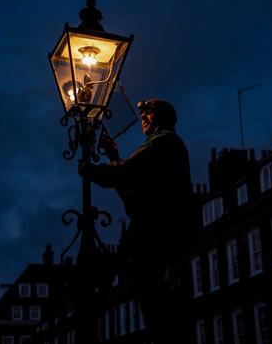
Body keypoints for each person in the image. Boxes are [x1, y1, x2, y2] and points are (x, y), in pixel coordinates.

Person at [79, 98, 194, 343]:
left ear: (165, 118)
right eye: (141, 113)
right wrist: (113, 156)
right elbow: (130, 192)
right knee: (154, 306)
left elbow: (123, 174)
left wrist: (90, 169)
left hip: (158, 239)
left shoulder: (163, 142)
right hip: (154, 239)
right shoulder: (160, 147)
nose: (143, 117)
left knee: (159, 306)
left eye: (149, 113)